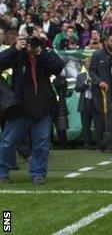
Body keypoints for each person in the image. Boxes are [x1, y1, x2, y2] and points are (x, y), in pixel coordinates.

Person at [0, 31, 65, 184]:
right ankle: (2, 172)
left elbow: (58, 66)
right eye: (28, 41)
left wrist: (39, 51)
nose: (30, 44)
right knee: (8, 141)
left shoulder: (43, 53)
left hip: (43, 108)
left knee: (41, 144)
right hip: (20, 108)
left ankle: (38, 174)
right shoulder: (17, 54)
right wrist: (15, 48)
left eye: (33, 41)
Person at [75, 56, 98, 149]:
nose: (88, 65)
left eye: (89, 63)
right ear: (84, 65)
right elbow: (77, 88)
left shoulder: (97, 74)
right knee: (86, 125)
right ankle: (87, 144)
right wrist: (85, 83)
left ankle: (99, 143)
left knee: (98, 124)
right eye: (86, 63)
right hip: (84, 103)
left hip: (95, 102)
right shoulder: (80, 76)